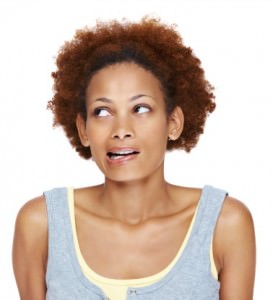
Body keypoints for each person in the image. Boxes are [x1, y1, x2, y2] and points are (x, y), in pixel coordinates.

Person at [12, 17, 256, 300]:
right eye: (102, 112)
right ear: (83, 130)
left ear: (173, 122)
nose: (121, 131)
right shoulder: (41, 224)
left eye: (140, 108)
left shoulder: (224, 224)